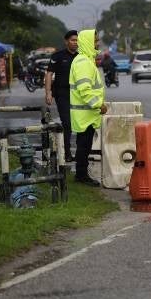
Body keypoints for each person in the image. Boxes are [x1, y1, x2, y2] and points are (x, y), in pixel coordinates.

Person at [68, 29, 107, 185]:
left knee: (84, 146)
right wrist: (99, 105)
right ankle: (81, 176)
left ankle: (81, 174)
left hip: (86, 114)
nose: (97, 43)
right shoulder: (83, 62)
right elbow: (85, 91)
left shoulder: (85, 60)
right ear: (87, 42)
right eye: (95, 41)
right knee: (83, 147)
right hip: (85, 114)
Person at [45, 31, 78, 161]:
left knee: (79, 124)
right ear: (66, 41)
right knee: (67, 123)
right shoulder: (58, 56)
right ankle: (67, 153)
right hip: (62, 94)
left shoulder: (81, 57)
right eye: (73, 40)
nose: (75, 43)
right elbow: (49, 74)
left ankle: (80, 154)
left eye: (77, 40)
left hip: (77, 95)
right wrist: (48, 92)